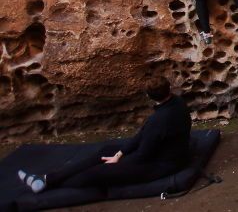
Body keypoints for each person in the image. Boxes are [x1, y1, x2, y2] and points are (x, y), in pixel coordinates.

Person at [18, 77, 192, 193]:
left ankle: (48, 184)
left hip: (162, 164)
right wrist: (119, 153)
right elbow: (142, 135)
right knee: (107, 151)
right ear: (169, 89)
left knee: (93, 174)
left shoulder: (160, 120)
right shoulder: (176, 103)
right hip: (161, 152)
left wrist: (120, 162)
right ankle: (47, 178)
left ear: (149, 96)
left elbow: (144, 154)